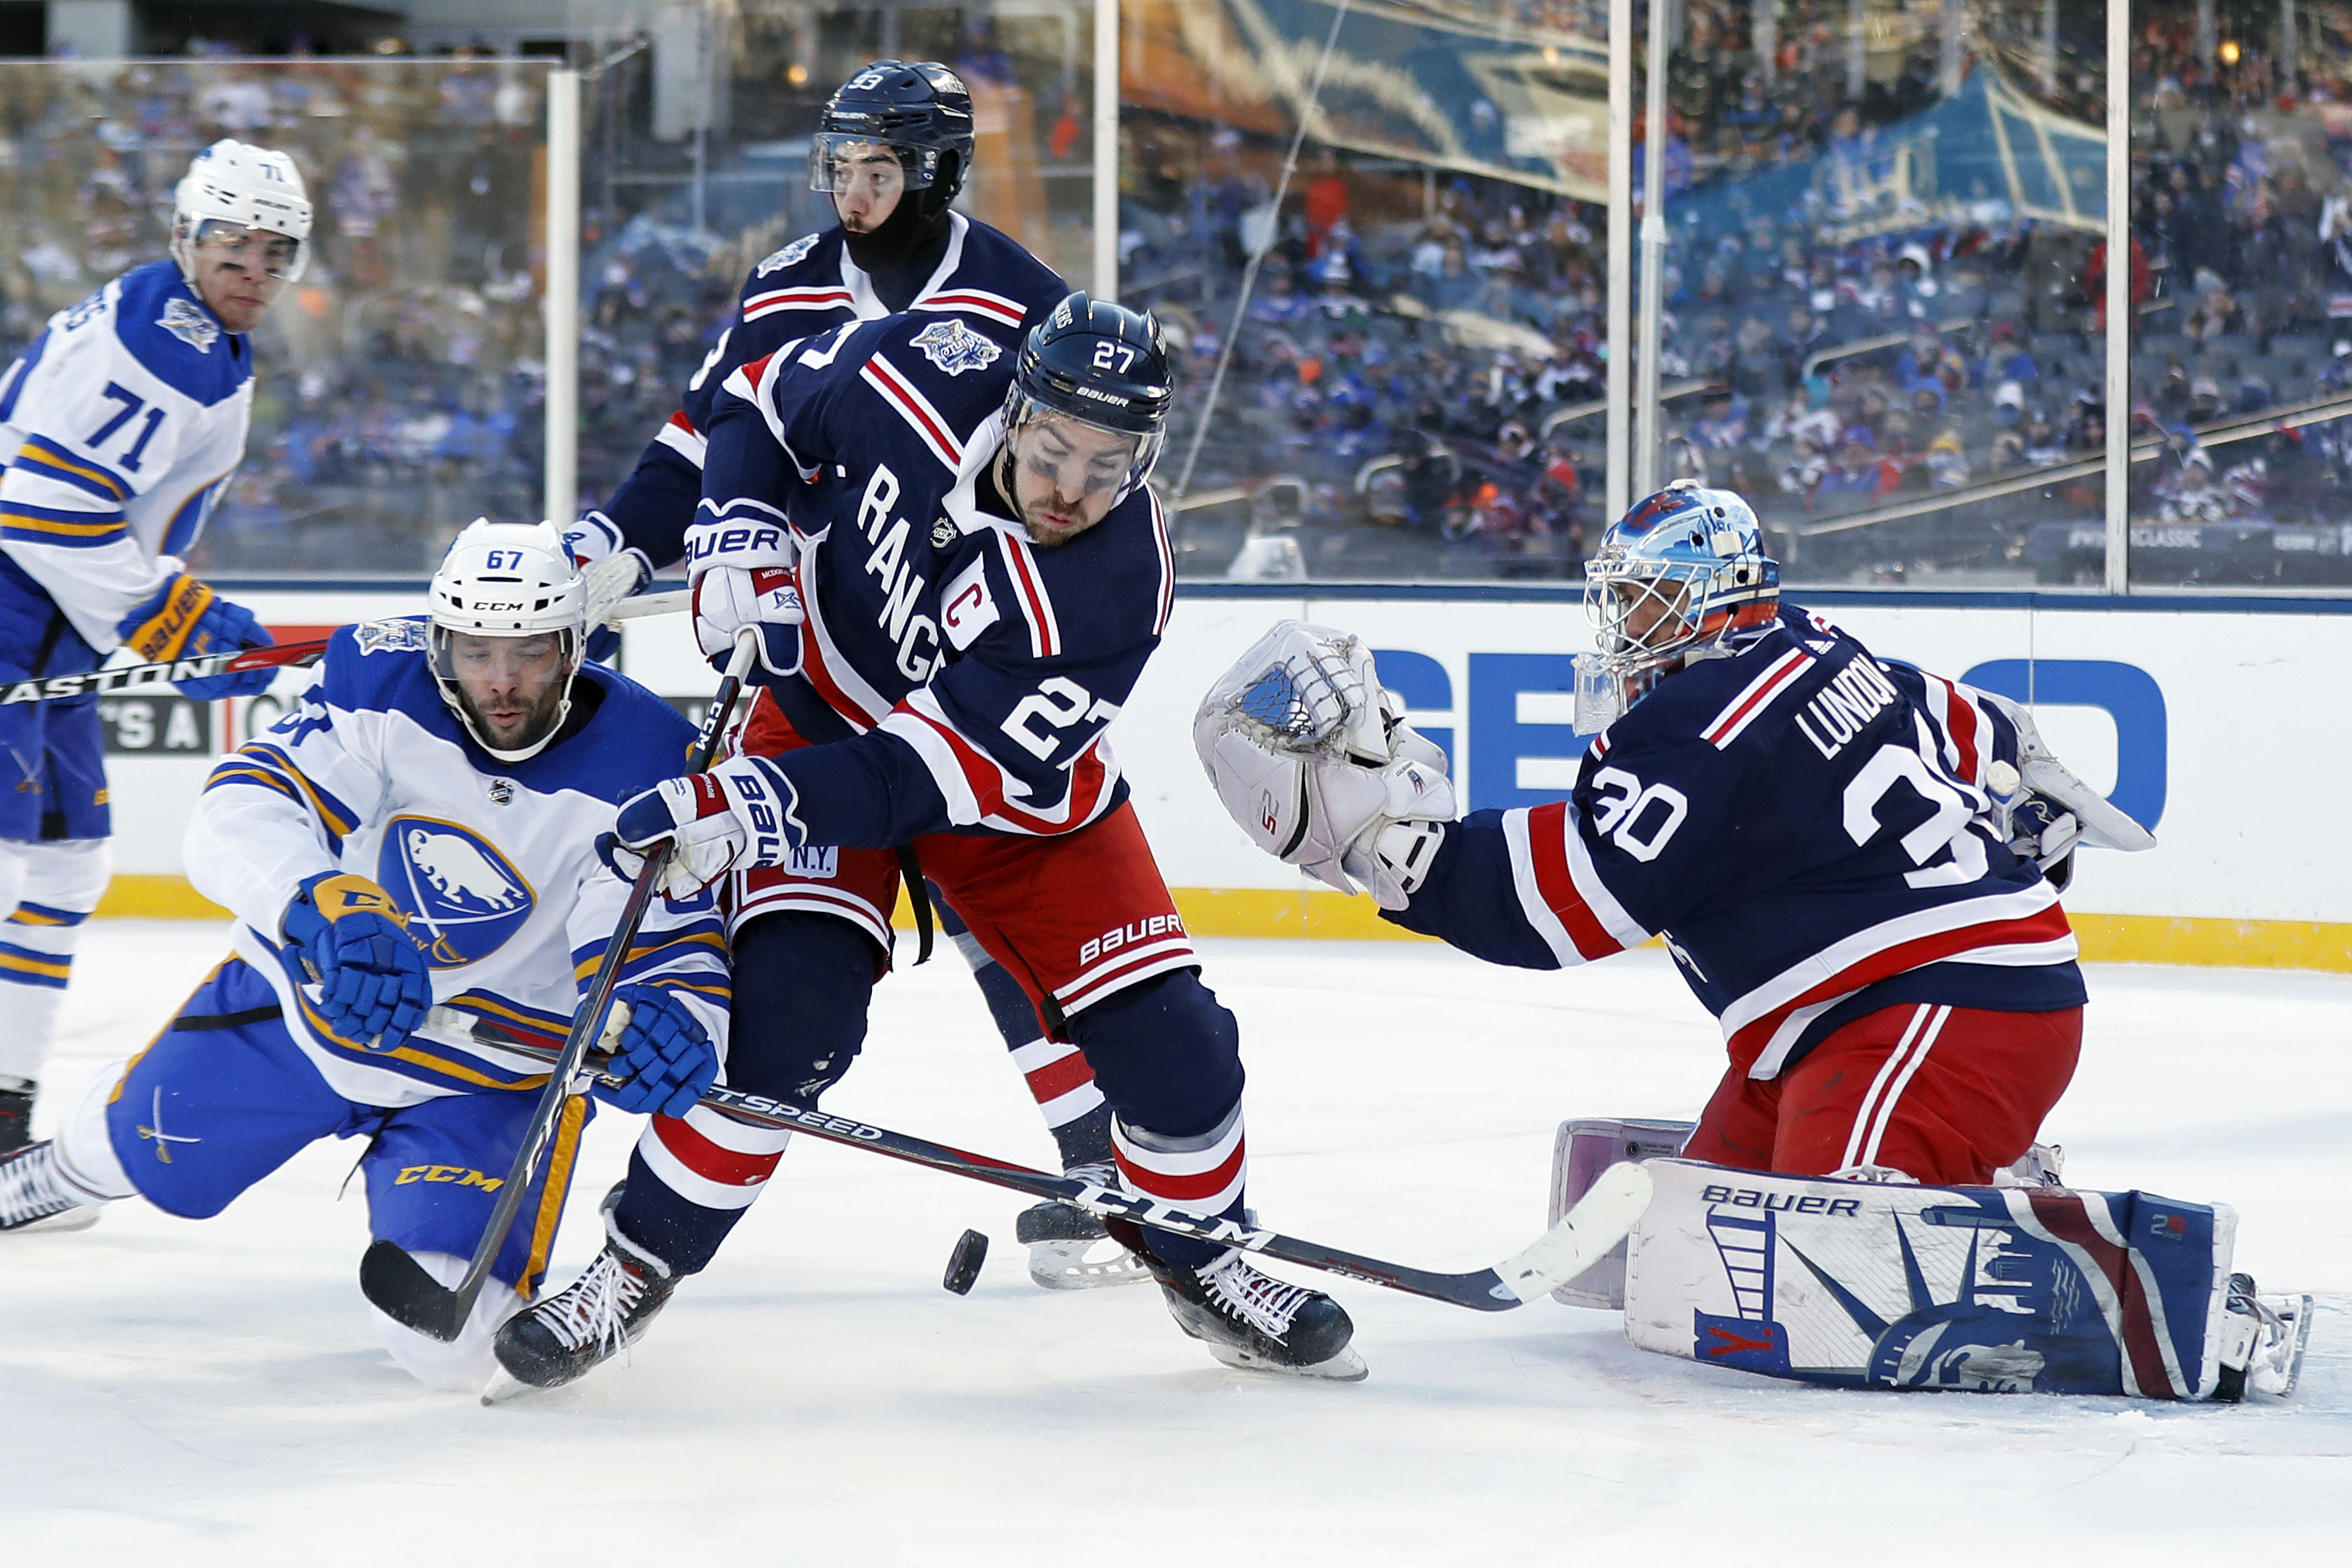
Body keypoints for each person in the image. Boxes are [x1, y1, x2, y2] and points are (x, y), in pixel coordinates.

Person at [495, 295, 1367, 1393]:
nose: (1068, 492)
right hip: (815, 717)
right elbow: (752, 402)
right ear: (1015, 405)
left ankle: (1200, 1257)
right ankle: (633, 1266)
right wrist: (738, 536)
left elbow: (916, 780)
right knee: (783, 1040)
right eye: (1053, 452)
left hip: (1001, 801)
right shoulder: (923, 365)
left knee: (1182, 1054)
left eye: (1107, 468)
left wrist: (743, 807)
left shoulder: (1113, 588)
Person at [566, 59, 1137, 1288]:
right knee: (798, 965)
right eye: (839, 166)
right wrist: (652, 534)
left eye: (878, 169)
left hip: (954, 660)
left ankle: (1104, 1165)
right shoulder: (782, 280)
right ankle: (659, 1213)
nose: (852, 191)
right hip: (815, 646)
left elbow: (1069, 486)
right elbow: (709, 426)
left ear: (937, 171)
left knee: (1003, 917)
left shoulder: (1022, 303)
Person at [1196, 481, 2153, 1189]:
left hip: (1942, 1017)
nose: (1621, 626)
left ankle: (2020, 1214)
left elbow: (1563, 906)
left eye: (1644, 600)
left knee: (1830, 1260)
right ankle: (1969, 1168)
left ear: (1715, 599)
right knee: (1703, 1250)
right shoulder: (1813, 640)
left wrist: (1390, 851)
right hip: (1835, 1025)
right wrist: (2023, 779)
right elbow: (1968, 717)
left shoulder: (1698, 729)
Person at [0, 522, 729, 1391]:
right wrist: (325, 902)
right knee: (120, 1150)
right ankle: (46, 1177)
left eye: (529, 652)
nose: (500, 682)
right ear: (440, 640)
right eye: (475, 650)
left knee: (456, 1355)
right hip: (308, 1016)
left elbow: (664, 941)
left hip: (486, 1078)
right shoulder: (381, 682)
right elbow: (243, 806)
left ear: (574, 645)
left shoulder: (652, 761)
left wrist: (670, 1017)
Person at [0, 140, 307, 1152]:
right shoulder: (163, 340)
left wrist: (161, 605)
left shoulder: (200, 330)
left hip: (57, 636)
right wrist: (170, 612)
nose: (253, 271)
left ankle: (5, 1118)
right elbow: (39, 511)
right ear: (187, 237)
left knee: (66, 869)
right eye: (233, 246)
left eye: (277, 253)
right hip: (16, 619)